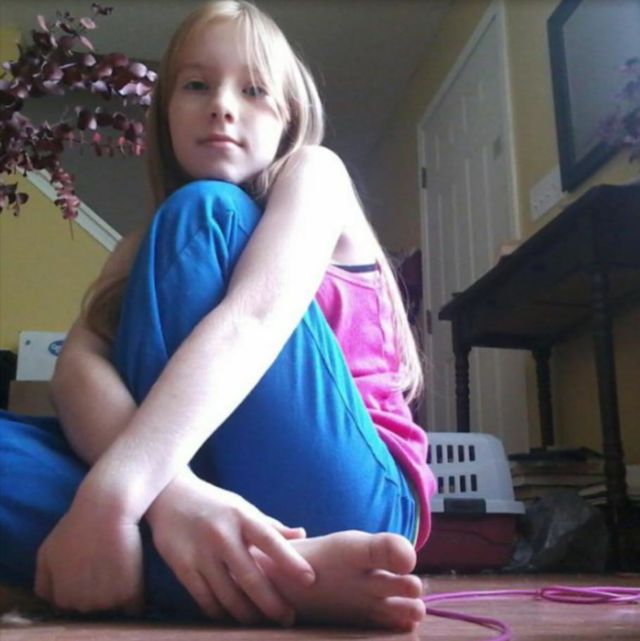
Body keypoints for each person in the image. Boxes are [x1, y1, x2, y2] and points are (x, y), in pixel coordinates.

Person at [0, 0, 435, 631]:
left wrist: (113, 498)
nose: (222, 106)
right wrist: (174, 497)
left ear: (289, 118)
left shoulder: (314, 175)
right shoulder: (143, 245)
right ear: (165, 113)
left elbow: (255, 319)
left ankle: (191, 562)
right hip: (188, 487)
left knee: (206, 212)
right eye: (196, 85)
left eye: (254, 90)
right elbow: (75, 370)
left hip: (349, 495)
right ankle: (294, 578)